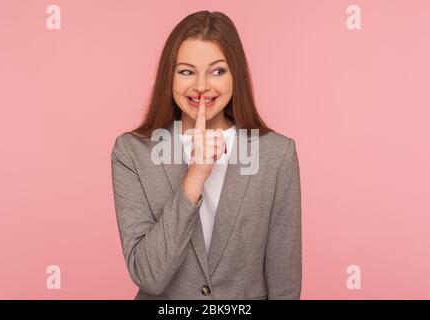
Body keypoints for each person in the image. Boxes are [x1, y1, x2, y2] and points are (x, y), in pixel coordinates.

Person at [111, 10, 302, 300]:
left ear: (235, 75)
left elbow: (284, 278)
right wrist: (195, 176)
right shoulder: (132, 152)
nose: (201, 86)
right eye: (186, 71)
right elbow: (148, 274)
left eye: (217, 71)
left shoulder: (277, 154)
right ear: (169, 77)